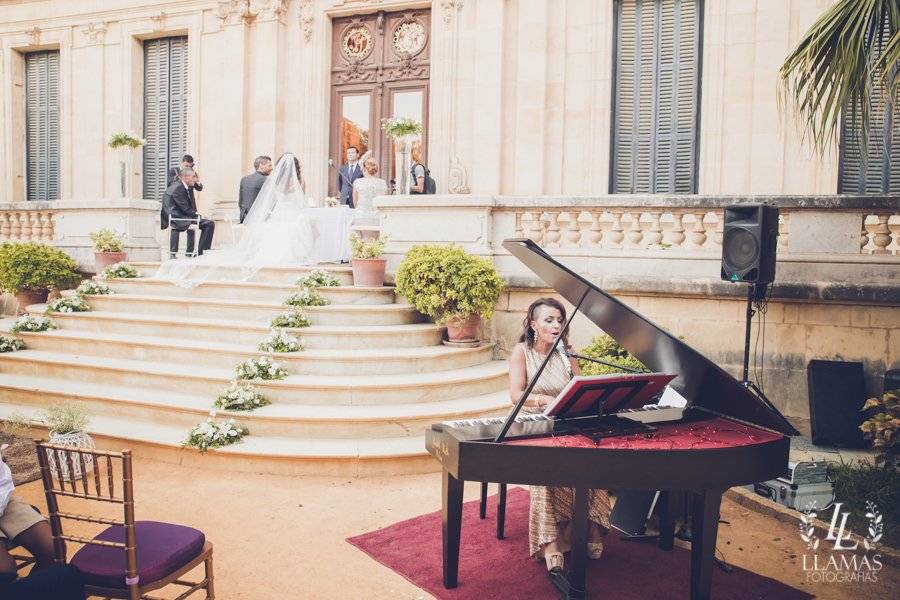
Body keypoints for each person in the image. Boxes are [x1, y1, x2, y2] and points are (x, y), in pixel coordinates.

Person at [508, 298, 612, 573]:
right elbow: (516, 395)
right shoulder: (522, 352)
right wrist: (544, 401)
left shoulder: (568, 353)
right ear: (533, 325)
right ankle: (550, 543)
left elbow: (580, 388)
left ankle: (590, 529)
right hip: (534, 424)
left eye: (559, 320)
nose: (556, 325)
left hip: (566, 422)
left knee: (594, 462)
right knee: (545, 472)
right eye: (549, 320)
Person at [155, 152, 315, 287]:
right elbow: (301, 202)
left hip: (275, 215)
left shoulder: (273, 182)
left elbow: (262, 200)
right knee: (302, 225)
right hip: (291, 214)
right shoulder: (300, 182)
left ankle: (195, 252)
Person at [0, 444, 60, 585]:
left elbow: (3, 480)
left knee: (53, 548)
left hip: (3, 500)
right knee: (4, 570)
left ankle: (28, 591)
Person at [162, 168, 215, 258]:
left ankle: (200, 252)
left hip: (180, 216)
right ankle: (201, 254)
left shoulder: (180, 186)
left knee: (207, 223)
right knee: (209, 224)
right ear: (186, 177)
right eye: (193, 177)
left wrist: (197, 215)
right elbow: (185, 208)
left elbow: (184, 207)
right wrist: (199, 215)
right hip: (178, 218)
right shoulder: (178, 188)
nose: (195, 179)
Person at [351, 157, 387, 232]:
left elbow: (355, 203)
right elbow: (384, 202)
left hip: (361, 218)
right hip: (378, 219)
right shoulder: (383, 183)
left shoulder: (357, 182)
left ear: (364, 169)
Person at [238, 155, 273, 223]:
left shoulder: (244, 179)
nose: (272, 168)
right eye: (269, 165)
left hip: (244, 219)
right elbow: (271, 202)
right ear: (261, 165)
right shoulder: (266, 180)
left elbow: (240, 202)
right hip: (259, 220)